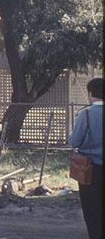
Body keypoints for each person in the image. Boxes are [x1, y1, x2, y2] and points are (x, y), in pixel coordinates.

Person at [70, 77, 103, 239]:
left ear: (90, 94)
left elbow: (74, 141)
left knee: (92, 209)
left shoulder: (86, 115)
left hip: (90, 169)